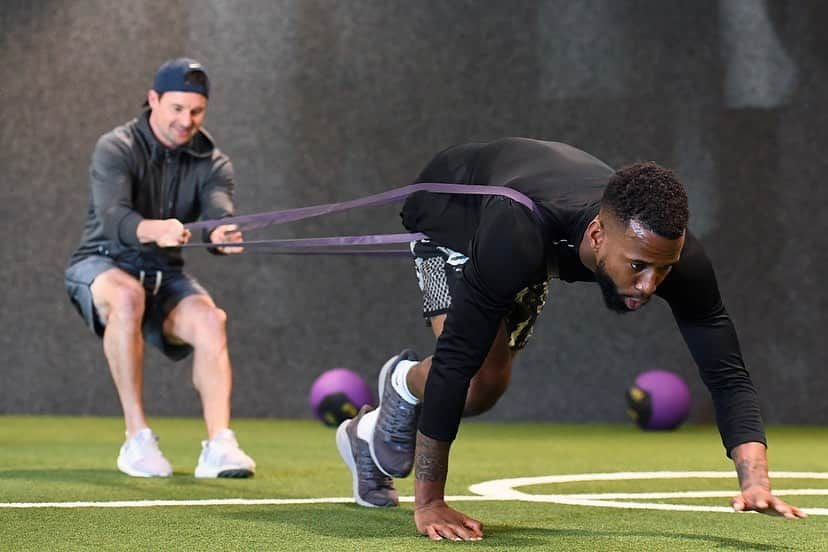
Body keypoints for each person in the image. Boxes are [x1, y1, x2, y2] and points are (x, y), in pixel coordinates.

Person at [335, 137, 806, 540]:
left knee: (488, 390)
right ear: (599, 236)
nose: (650, 285)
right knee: (474, 378)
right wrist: (429, 502)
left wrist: (755, 480)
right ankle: (400, 384)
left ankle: (370, 431)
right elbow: (456, 358)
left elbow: (726, 374)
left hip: (539, 234)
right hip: (456, 211)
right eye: (638, 266)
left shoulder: (671, 256)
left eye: (663, 268)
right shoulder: (514, 237)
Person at [64, 58, 255, 479]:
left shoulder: (213, 162)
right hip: (103, 260)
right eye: (176, 109)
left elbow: (218, 210)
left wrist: (223, 234)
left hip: (162, 274)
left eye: (196, 111)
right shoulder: (115, 146)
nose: (186, 121)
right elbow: (113, 218)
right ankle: (137, 439)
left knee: (210, 320)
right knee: (127, 298)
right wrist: (155, 229)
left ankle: (219, 445)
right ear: (153, 100)